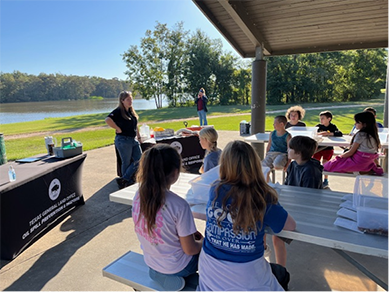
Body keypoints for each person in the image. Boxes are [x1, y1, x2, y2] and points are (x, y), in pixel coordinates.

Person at [197, 140, 296, 291]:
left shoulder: (216, 188)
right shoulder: (262, 196)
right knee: (281, 273)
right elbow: (289, 226)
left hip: (210, 272)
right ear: (255, 164)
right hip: (246, 277)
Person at [132, 144, 204, 291]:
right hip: (178, 266)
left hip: (152, 262)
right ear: (175, 173)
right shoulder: (179, 205)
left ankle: (160, 275)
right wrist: (203, 243)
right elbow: (190, 250)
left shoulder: (138, 195)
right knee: (210, 252)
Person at [270, 136, 324, 268]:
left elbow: (309, 198)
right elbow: (288, 186)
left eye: (290, 148)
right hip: (293, 204)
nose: (287, 150)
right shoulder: (293, 165)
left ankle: (281, 270)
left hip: (304, 211)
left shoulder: (311, 171)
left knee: (277, 237)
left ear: (298, 153)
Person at [105, 91, 142, 189]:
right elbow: (107, 119)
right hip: (123, 140)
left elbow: (135, 125)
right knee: (126, 162)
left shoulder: (131, 111)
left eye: (131, 99)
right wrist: (117, 128)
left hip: (133, 139)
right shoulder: (118, 111)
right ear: (122, 101)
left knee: (139, 159)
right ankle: (126, 181)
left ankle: (124, 179)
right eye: (128, 99)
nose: (130, 101)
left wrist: (139, 136)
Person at [313, 111, 343, 189]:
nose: (321, 120)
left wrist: (329, 133)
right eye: (320, 118)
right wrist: (320, 134)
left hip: (328, 148)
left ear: (329, 119)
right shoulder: (318, 126)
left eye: (323, 118)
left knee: (325, 162)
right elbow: (313, 133)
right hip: (318, 149)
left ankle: (325, 180)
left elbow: (339, 133)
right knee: (314, 162)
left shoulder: (332, 127)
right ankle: (316, 178)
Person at [262, 116, 292, 180]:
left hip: (282, 154)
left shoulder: (287, 136)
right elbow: (269, 145)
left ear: (281, 124)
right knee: (263, 168)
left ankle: (274, 164)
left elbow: (290, 150)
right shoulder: (272, 133)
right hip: (271, 154)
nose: (273, 125)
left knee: (277, 164)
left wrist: (288, 163)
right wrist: (266, 155)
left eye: (275, 123)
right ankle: (267, 183)